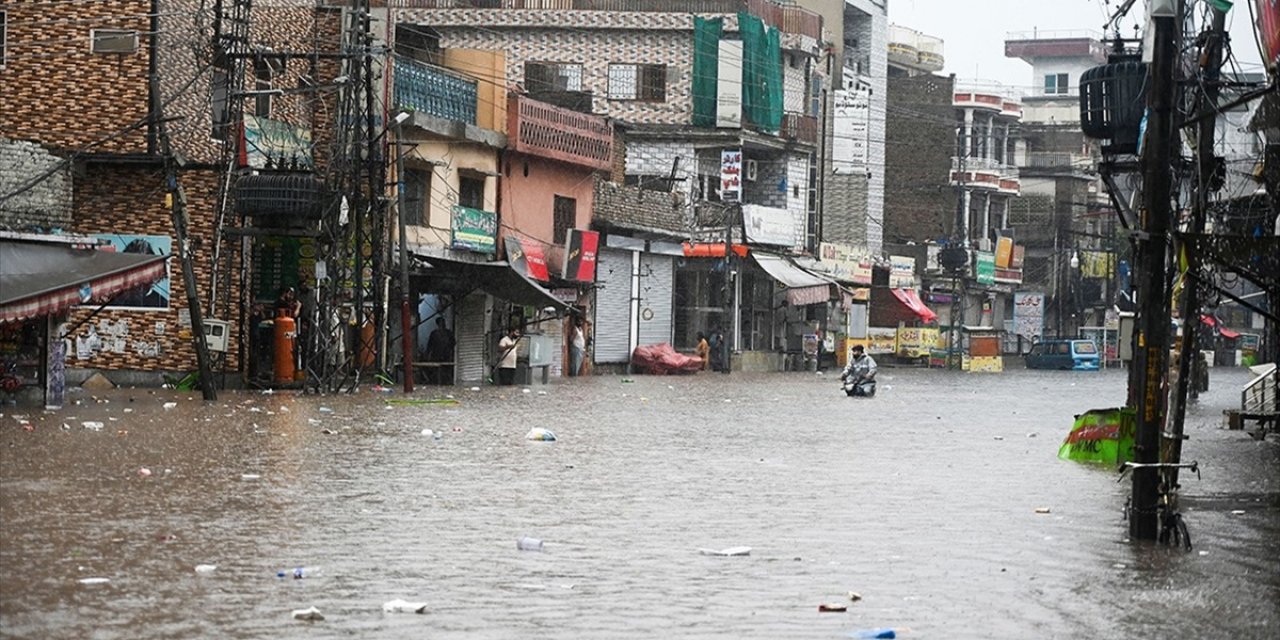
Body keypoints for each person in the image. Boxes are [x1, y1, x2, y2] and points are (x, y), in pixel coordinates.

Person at [425, 317, 455, 384]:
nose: (443, 324)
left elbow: (453, 343)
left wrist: (449, 350)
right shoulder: (434, 333)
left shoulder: (449, 333)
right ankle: (437, 383)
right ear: (438, 324)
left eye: (443, 322)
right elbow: (429, 346)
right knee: (436, 371)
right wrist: (427, 355)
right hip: (436, 355)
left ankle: (446, 383)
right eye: (441, 323)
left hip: (446, 356)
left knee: (446, 371)